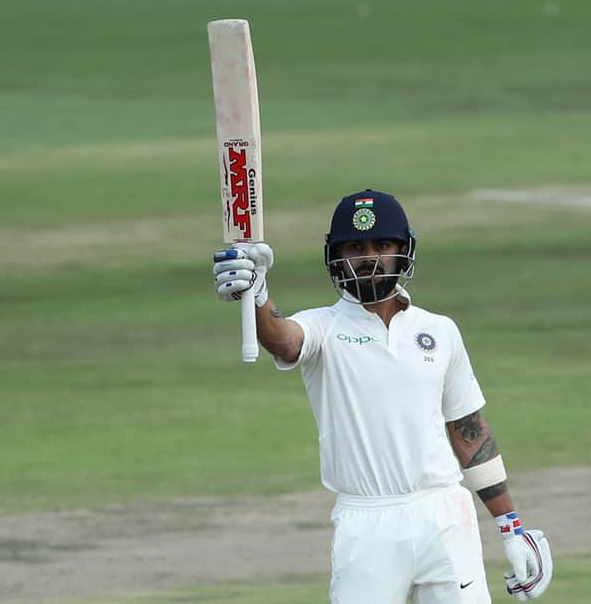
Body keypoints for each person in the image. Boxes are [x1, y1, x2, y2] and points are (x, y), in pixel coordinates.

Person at [212, 189, 553, 603]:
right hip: (366, 522)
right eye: (355, 247)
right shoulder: (323, 328)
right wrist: (258, 295)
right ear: (336, 257)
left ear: (403, 250)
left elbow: (470, 431)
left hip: (444, 515)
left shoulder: (440, 331)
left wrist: (510, 527)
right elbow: (283, 341)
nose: (369, 257)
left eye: (382, 245)